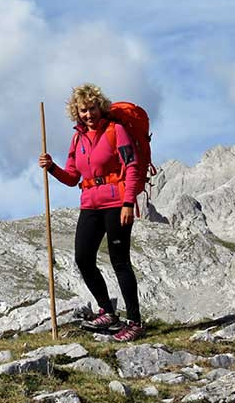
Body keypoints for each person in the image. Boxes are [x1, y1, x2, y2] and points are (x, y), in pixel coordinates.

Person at [39, 83, 144, 341]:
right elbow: (73, 177)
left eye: (92, 108)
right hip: (90, 204)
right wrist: (51, 167)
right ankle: (107, 311)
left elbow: (131, 166)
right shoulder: (78, 138)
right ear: (77, 112)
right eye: (83, 110)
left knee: (120, 262)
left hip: (117, 203)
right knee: (83, 258)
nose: (89, 114)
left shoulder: (116, 130)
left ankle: (135, 322)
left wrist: (129, 202)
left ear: (101, 106)